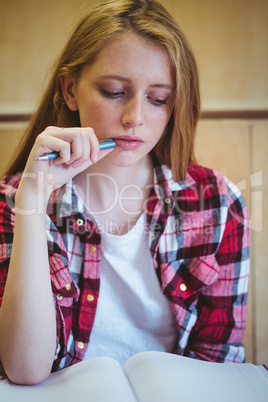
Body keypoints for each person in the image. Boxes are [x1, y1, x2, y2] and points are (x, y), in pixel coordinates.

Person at [0, 0, 249, 385]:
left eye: (158, 99)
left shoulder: (219, 204)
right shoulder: (12, 201)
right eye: (114, 91)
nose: (135, 117)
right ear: (70, 90)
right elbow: (24, 369)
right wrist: (31, 203)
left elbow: (219, 369)